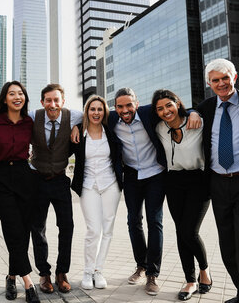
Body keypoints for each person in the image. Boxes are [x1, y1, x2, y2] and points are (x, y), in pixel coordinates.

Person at [88, 87, 200, 296]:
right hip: (131, 176)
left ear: (137, 104)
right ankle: (141, 264)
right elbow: (90, 117)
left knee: (154, 221)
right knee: (133, 221)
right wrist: (77, 128)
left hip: (156, 174)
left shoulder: (149, 112)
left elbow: (179, 109)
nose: (125, 110)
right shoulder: (111, 119)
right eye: (120, 106)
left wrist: (195, 112)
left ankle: (152, 274)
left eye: (129, 105)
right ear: (115, 108)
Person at [197, 58, 239, 303]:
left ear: (234, 78)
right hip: (218, 183)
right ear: (209, 84)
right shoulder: (204, 108)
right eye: (216, 80)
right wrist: (192, 113)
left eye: (226, 78)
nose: (222, 83)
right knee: (227, 244)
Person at [151, 89, 212, 301]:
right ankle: (190, 280)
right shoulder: (159, 128)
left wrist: (195, 111)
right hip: (173, 182)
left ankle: (204, 270)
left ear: (177, 103)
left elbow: (207, 110)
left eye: (169, 105)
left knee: (189, 231)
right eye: (160, 108)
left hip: (198, 181)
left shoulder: (197, 122)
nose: (165, 111)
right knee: (180, 232)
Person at [0, 81, 40, 303]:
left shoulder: (29, 121)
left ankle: (11, 276)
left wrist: (75, 126)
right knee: (12, 228)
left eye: (21, 93)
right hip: (0, 178)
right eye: (12, 93)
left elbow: (57, 118)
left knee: (23, 231)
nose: (17, 96)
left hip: (24, 176)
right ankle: (28, 283)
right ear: (4, 98)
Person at [28, 83, 82, 294]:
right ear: (42, 102)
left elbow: (95, 115)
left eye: (56, 100)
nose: (52, 104)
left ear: (63, 101)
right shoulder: (33, 115)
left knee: (66, 227)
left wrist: (79, 126)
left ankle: (62, 272)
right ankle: (44, 273)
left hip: (60, 180)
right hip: (37, 179)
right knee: (37, 228)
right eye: (48, 100)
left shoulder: (74, 115)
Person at [70, 95, 122, 291]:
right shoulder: (78, 133)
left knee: (107, 229)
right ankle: (87, 270)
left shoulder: (111, 130)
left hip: (110, 184)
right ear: (87, 111)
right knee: (93, 230)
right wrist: (75, 126)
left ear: (104, 112)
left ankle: (99, 270)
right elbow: (68, 117)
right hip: (88, 185)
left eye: (100, 109)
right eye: (92, 109)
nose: (96, 113)